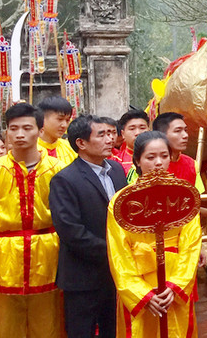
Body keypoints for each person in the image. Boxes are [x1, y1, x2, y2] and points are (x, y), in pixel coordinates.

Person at [106, 131, 201, 338]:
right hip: (139, 280)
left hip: (173, 281)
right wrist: (141, 294)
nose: (158, 163)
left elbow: (191, 246)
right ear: (137, 161)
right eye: (150, 157)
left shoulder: (184, 195)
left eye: (164, 156)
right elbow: (118, 255)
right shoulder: (120, 202)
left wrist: (176, 285)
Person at [0, 103, 66, 338]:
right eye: (13, 128)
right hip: (3, 259)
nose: (20, 134)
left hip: (49, 256)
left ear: (40, 131)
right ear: (6, 132)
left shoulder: (58, 170)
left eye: (27, 128)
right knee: (5, 326)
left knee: (49, 325)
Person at [50, 115, 126, 338]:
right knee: (81, 331)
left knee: (114, 329)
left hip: (117, 274)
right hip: (83, 276)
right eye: (101, 135)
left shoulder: (117, 170)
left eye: (111, 133)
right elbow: (70, 231)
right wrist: (114, 252)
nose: (110, 139)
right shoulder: (65, 179)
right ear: (81, 143)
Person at [150, 112, 203, 191]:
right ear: (161, 135)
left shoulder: (191, 164)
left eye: (185, 130)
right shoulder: (148, 163)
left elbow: (198, 196)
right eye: (178, 131)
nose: (185, 135)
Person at [38, 95, 77, 166]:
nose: (64, 125)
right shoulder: (31, 149)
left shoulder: (71, 148)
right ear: (42, 119)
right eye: (60, 119)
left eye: (67, 120)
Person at [112, 109, 149, 176]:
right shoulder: (115, 161)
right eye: (132, 129)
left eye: (142, 128)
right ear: (123, 134)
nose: (138, 133)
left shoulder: (161, 158)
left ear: (149, 130)